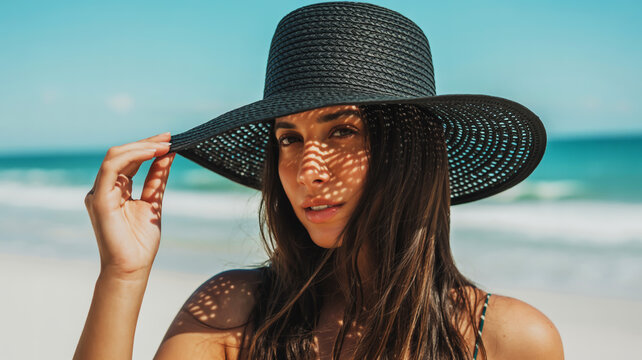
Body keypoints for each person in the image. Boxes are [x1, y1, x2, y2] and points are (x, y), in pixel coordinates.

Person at [74, 2, 564, 360]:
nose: (307, 169)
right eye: (289, 139)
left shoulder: (508, 340)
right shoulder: (237, 314)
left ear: (408, 152)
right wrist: (122, 274)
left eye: (342, 131)